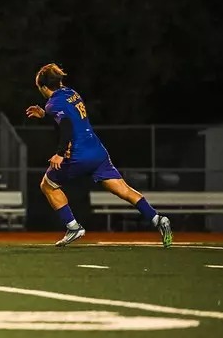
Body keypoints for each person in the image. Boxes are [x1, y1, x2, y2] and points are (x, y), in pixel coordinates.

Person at [25, 63, 172, 247]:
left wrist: (60, 154)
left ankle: (73, 227)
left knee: (48, 185)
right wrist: (44, 114)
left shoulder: (53, 103)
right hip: (97, 151)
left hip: (78, 154)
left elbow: (66, 125)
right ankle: (157, 219)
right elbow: (70, 116)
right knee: (123, 190)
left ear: (44, 87)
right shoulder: (71, 93)